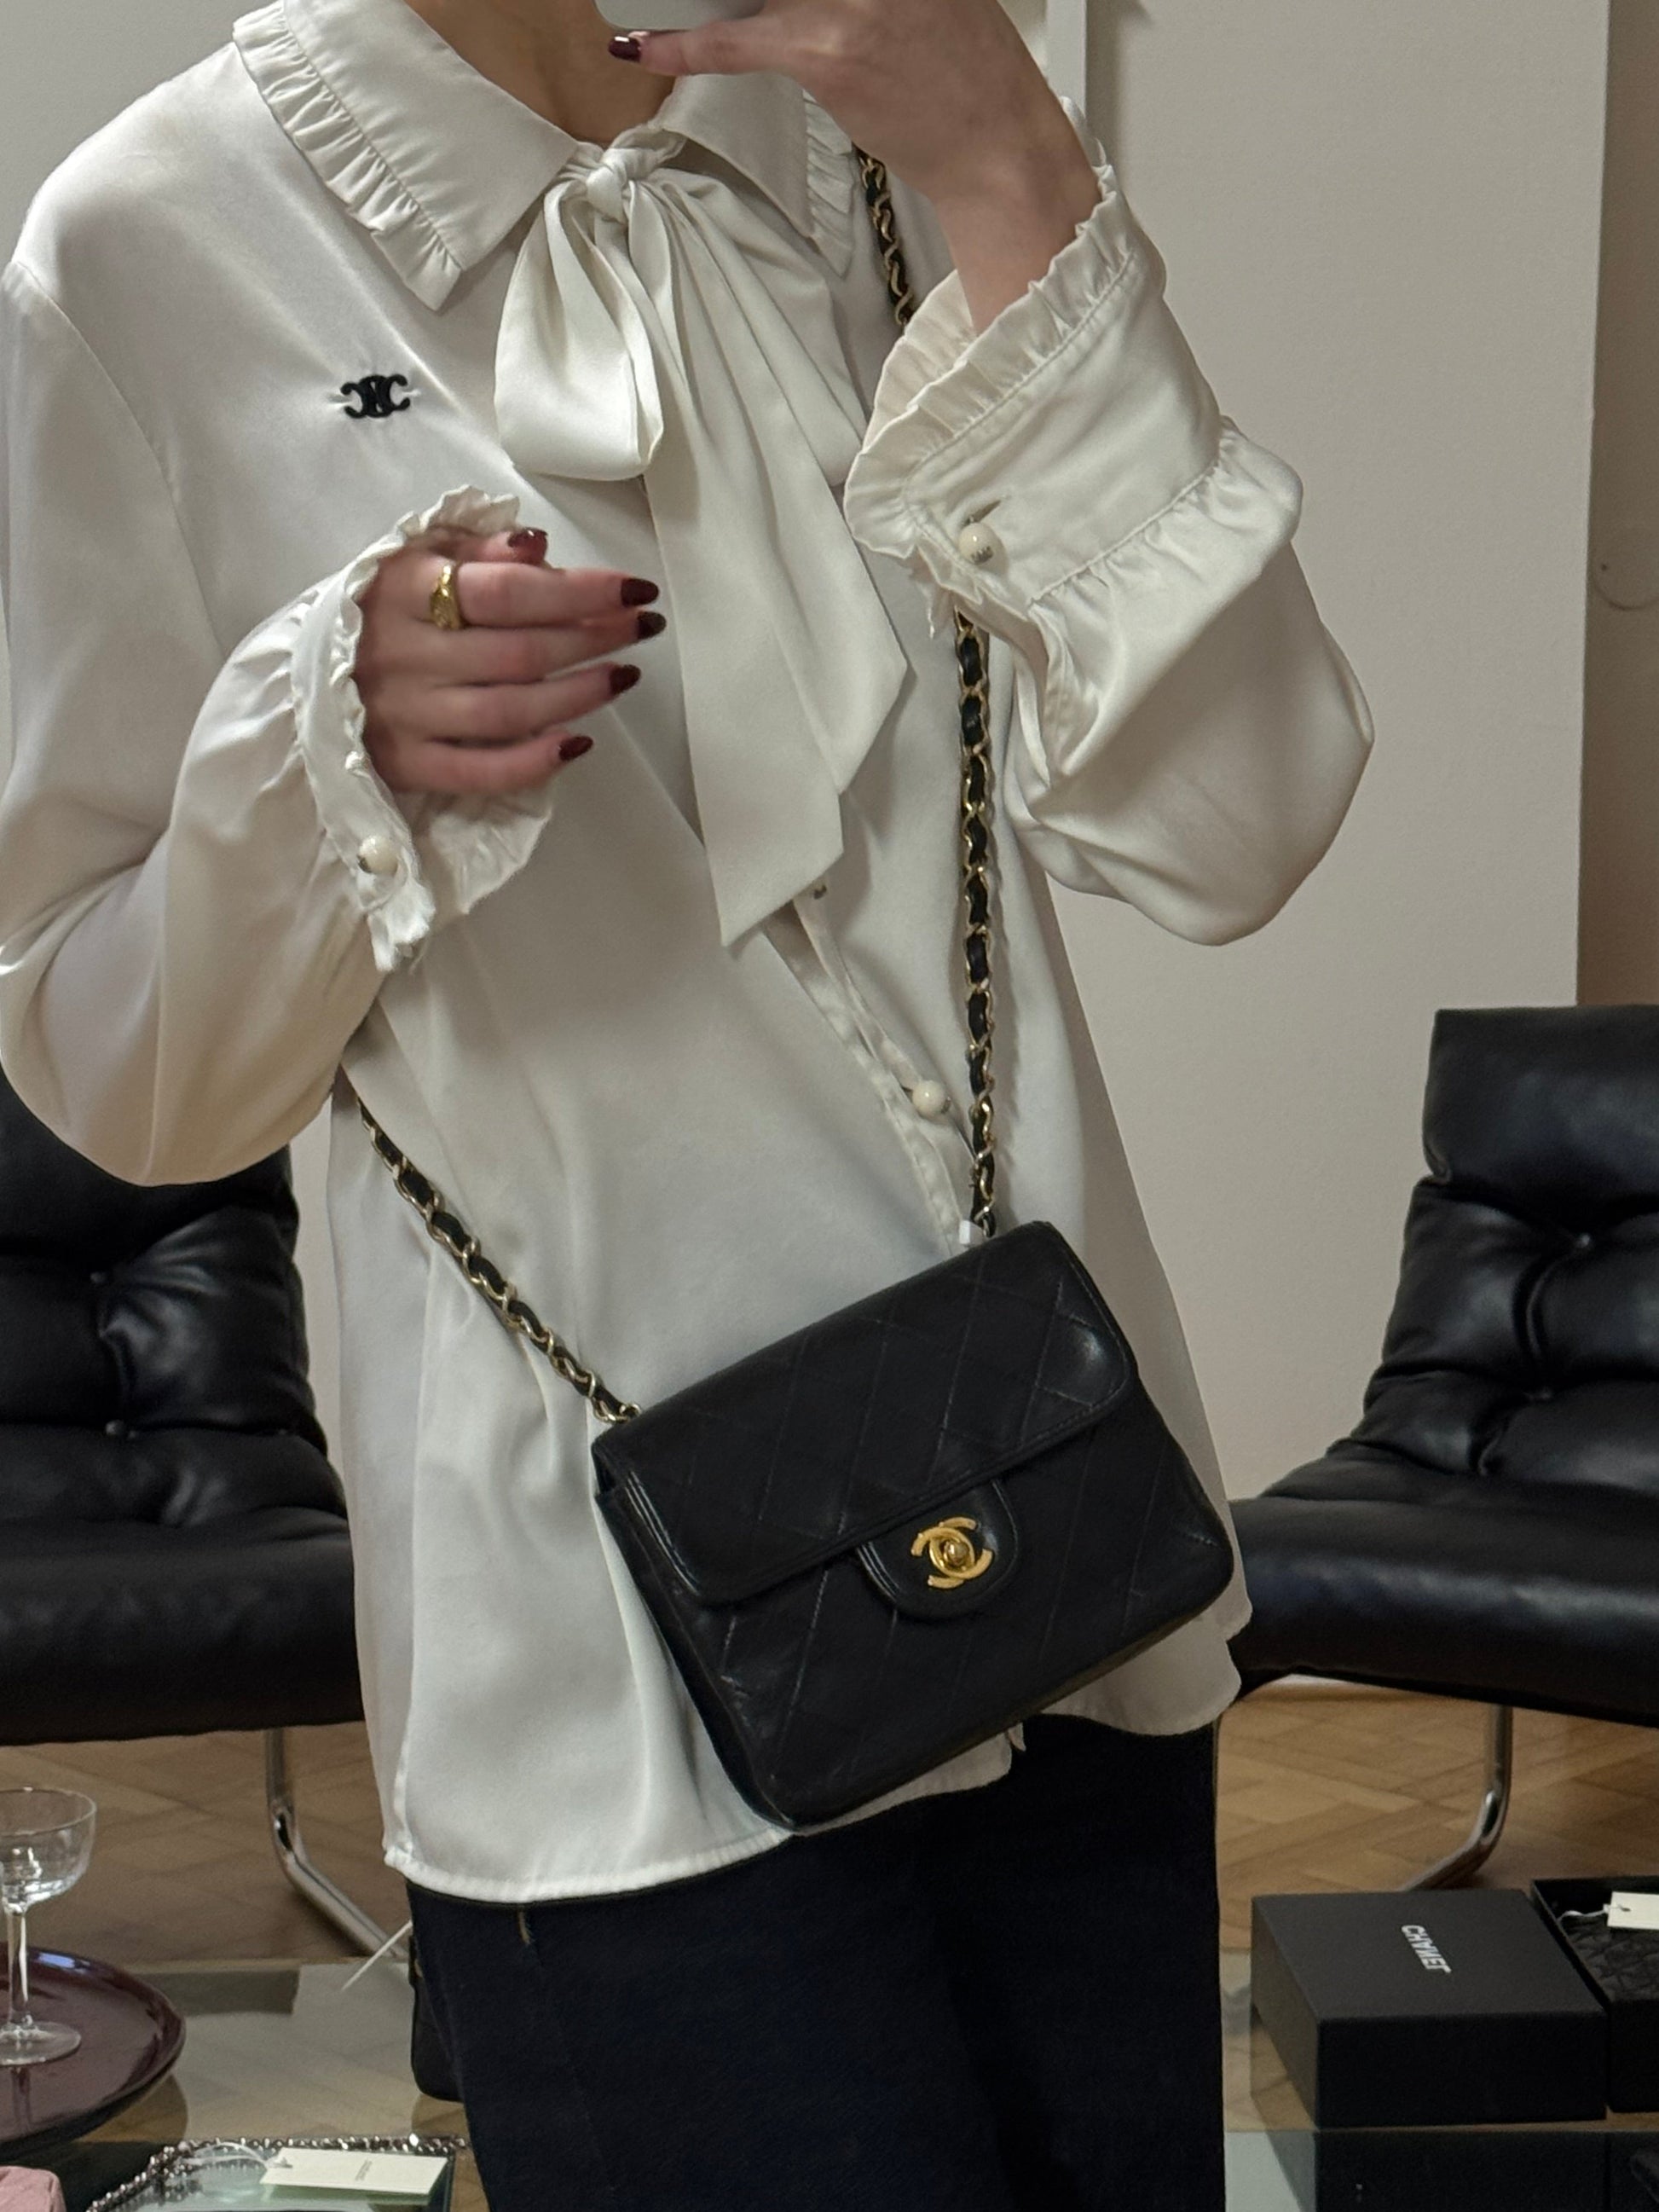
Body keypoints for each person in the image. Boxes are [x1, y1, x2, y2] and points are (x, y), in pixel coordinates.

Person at [0, 0, 1373, 2202]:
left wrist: (1009, 164)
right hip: (607, 1645)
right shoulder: (158, 242)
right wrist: (319, 755)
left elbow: (1242, 820)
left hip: (1055, 1520)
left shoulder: (884, 128)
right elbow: (112, 1064)